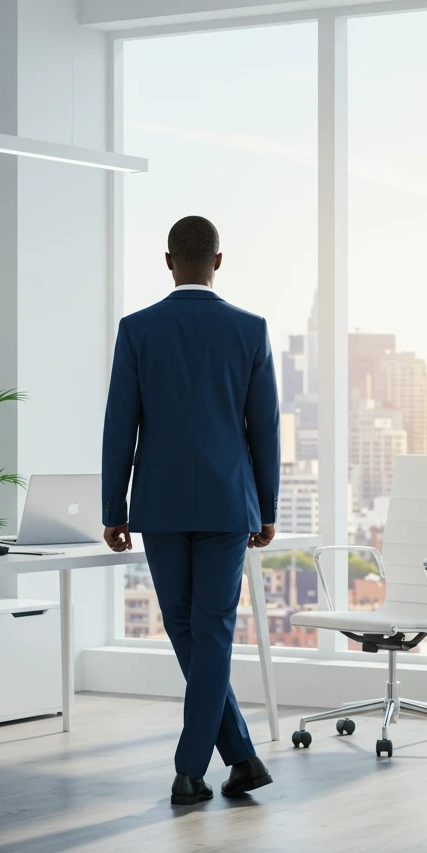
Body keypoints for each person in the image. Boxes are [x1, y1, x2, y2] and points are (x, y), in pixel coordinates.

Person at [101, 215, 280, 806]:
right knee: (208, 632)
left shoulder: (137, 330)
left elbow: (118, 428)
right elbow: (266, 431)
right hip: (230, 504)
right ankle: (241, 758)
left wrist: (113, 508)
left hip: (160, 505)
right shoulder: (249, 330)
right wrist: (267, 508)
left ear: (169, 260)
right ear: (219, 261)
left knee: (187, 627)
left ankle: (189, 767)